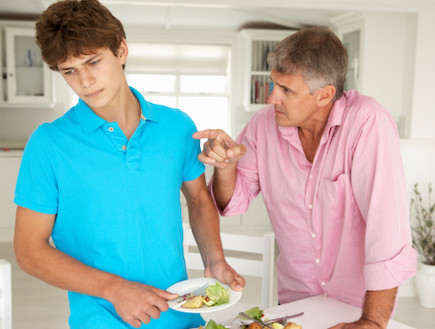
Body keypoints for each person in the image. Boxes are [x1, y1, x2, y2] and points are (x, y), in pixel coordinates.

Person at [13, 0, 245, 328]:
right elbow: (28, 250)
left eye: (93, 62)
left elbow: (197, 198)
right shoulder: (49, 143)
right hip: (101, 319)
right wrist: (114, 289)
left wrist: (215, 260)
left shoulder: (177, 126)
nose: (85, 81)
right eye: (70, 70)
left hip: (181, 314)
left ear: (121, 50)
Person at [193, 26, 417, 329]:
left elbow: (386, 230)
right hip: (294, 304)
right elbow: (233, 202)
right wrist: (225, 167)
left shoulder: (367, 123)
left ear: (324, 95)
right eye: (274, 84)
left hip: (357, 306)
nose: (272, 98)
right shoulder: (262, 126)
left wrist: (373, 322)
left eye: (286, 90)